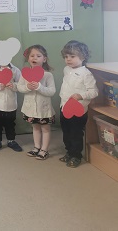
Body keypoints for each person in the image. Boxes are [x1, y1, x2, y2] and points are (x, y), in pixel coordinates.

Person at [58, 40, 98, 168]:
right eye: (66, 56)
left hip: (78, 109)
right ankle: (69, 152)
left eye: (72, 56)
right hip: (64, 107)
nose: (68, 59)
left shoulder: (86, 74)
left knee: (75, 133)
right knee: (66, 132)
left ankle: (76, 155)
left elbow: (94, 91)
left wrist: (80, 95)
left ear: (83, 57)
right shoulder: (66, 69)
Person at [17, 45, 56, 160]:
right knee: (35, 128)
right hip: (30, 109)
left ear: (44, 59)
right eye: (32, 56)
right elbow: (20, 87)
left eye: (38, 56)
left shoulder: (48, 75)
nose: (35, 58)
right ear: (28, 59)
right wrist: (28, 87)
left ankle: (44, 150)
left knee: (45, 129)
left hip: (44, 109)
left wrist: (39, 87)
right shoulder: (24, 74)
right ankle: (36, 147)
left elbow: (52, 91)